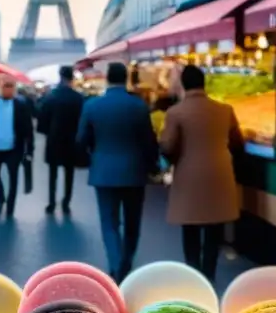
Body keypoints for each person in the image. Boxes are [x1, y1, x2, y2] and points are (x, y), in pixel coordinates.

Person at [159, 65, 244, 280]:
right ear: (203, 83)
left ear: (183, 85)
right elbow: (238, 143)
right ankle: (209, 273)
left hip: (189, 175)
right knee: (214, 228)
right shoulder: (225, 110)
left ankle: (194, 274)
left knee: (191, 227)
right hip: (219, 174)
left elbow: (168, 147)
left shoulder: (175, 112)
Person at [77, 62, 158, 282]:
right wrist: (154, 166)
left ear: (107, 79)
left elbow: (81, 139)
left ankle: (115, 263)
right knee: (133, 222)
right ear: (126, 79)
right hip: (134, 171)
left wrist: (94, 155)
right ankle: (127, 262)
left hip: (103, 171)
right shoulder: (138, 105)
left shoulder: (92, 106)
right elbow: (148, 141)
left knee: (109, 222)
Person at [0, 77, 35, 218]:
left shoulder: (21, 106)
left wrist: (30, 150)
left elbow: (28, 130)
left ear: (15, 88)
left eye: (10, 86)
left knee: (13, 178)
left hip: (13, 149)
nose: (7, 89)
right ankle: (1, 198)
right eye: (5, 86)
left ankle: (10, 206)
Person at [38, 65, 85, 215]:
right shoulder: (78, 98)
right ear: (72, 78)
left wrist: (48, 132)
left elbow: (42, 121)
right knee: (69, 173)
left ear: (60, 76)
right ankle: (66, 202)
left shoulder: (50, 96)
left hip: (54, 139)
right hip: (72, 141)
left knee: (53, 173)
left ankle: (51, 202)